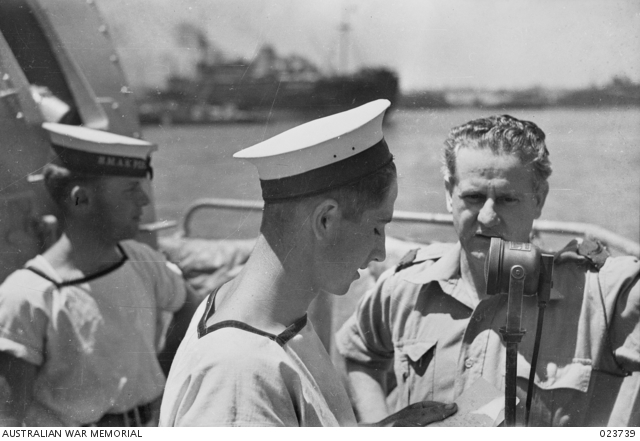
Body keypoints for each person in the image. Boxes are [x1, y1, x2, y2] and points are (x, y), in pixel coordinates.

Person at [159, 99, 457, 427]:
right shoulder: (240, 375)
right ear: (325, 220)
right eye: (377, 227)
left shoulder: (254, 308)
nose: (381, 252)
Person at [336, 114, 640, 427]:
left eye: (507, 199)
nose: (488, 216)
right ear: (448, 194)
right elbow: (360, 352)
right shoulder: (406, 287)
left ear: (539, 200)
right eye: (473, 197)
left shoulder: (599, 293)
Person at [0, 123, 195, 427]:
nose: (143, 201)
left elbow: (190, 307)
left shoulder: (141, 260)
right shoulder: (27, 295)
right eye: (131, 190)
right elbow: (11, 419)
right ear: (81, 199)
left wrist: (162, 370)